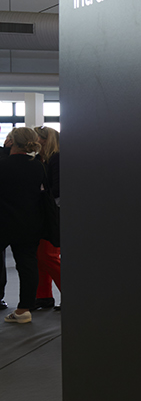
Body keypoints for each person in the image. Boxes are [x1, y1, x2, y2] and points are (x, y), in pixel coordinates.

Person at [1, 128, 50, 325]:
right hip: (29, 222)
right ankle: (24, 310)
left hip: (3, 221)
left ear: (11, 142)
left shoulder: (3, 164)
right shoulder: (38, 166)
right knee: (28, 265)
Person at [33, 126, 60, 311]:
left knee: (48, 256)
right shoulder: (41, 159)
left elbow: (57, 188)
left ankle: (71, 294)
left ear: (44, 140)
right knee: (41, 256)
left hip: (53, 213)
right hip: (44, 212)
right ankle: (43, 296)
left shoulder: (56, 159)